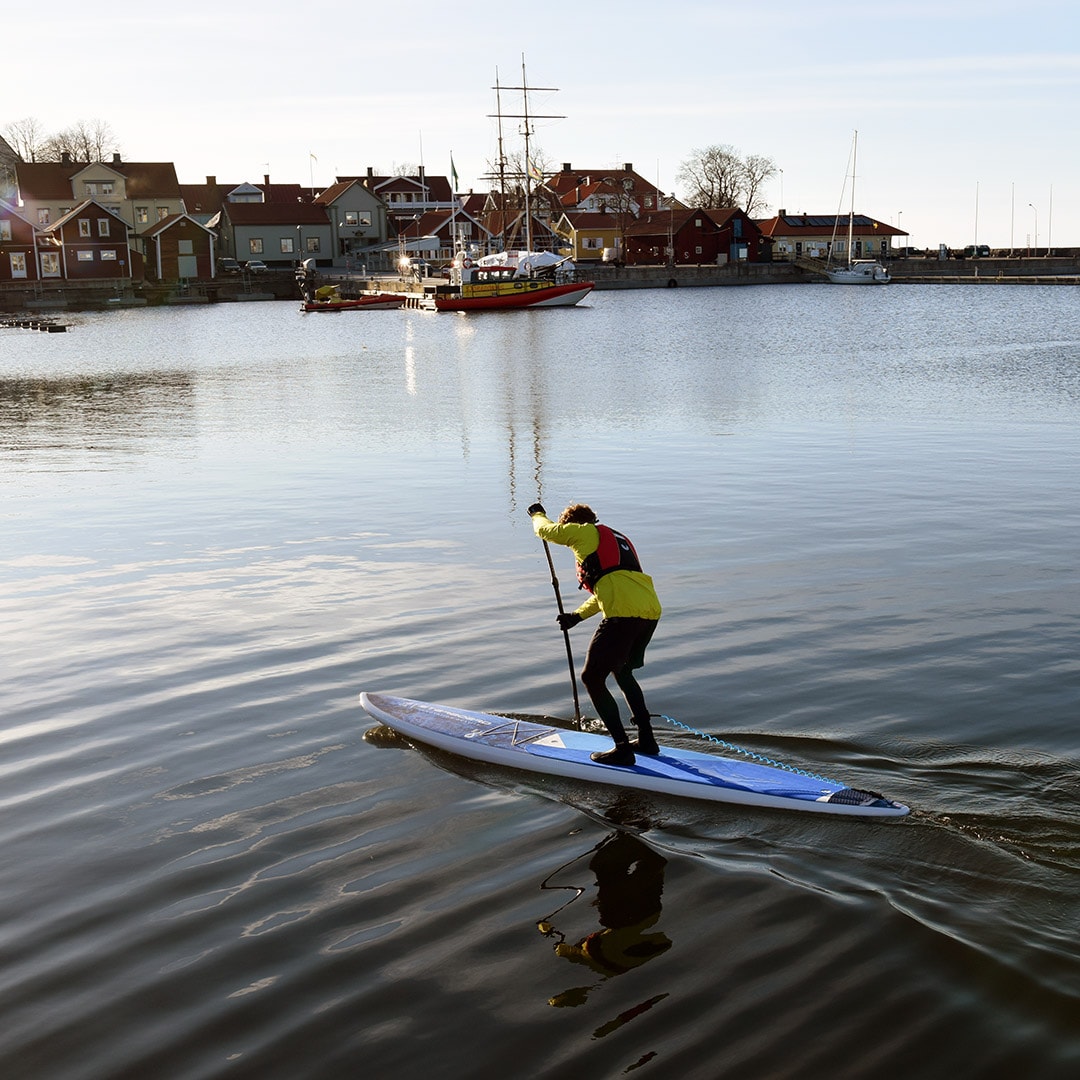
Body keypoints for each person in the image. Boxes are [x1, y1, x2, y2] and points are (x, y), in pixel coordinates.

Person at [527, 501, 662, 766]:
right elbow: (610, 587)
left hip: (623, 615)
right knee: (622, 671)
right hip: (649, 611)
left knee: (591, 677)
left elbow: (546, 531)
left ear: (573, 524)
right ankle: (647, 739)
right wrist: (576, 616)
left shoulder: (585, 532)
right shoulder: (616, 539)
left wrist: (537, 515)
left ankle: (623, 749)